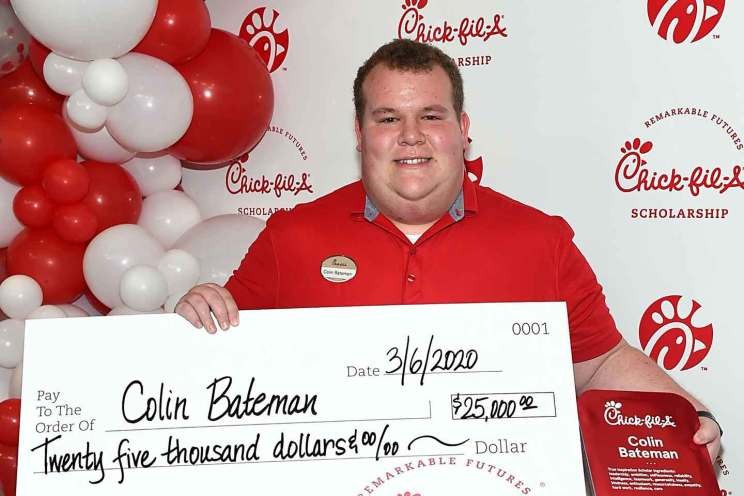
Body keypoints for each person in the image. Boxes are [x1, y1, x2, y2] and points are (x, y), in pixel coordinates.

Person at [175, 39, 721, 460]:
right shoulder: (288, 238)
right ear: (361, 134)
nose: (410, 135)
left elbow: (599, 365)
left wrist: (685, 415)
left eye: (430, 116)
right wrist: (194, 321)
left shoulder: (541, 240)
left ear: (462, 130)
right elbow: (222, 369)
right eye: (388, 118)